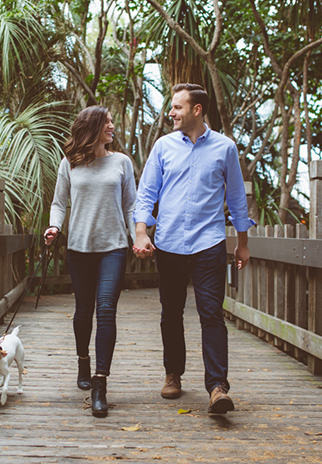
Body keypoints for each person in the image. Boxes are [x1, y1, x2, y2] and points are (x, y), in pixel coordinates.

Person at [132, 84, 254, 415]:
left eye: (177, 107)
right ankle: (173, 373)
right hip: (169, 242)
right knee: (170, 313)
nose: (170, 113)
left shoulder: (225, 148)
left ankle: (217, 387)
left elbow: (236, 199)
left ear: (196, 110)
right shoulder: (163, 147)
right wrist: (142, 232)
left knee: (211, 313)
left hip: (208, 243)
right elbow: (147, 193)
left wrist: (242, 244)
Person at [44, 106, 136, 418]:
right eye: (108, 122)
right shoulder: (69, 163)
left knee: (106, 309)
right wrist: (54, 226)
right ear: (93, 127)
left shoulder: (122, 162)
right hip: (79, 248)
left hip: (113, 247)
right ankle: (82, 360)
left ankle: (100, 384)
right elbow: (59, 203)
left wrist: (139, 238)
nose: (113, 126)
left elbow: (131, 206)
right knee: (83, 311)